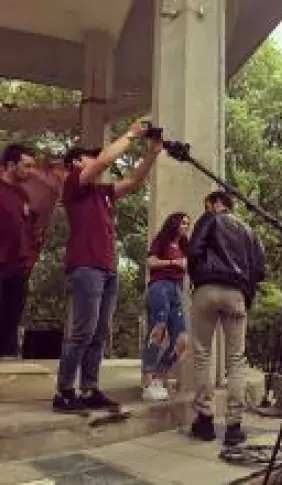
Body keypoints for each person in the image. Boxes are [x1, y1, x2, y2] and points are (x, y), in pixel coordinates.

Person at [53, 119, 164, 413]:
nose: (97, 160)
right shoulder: (73, 184)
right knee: (82, 332)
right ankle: (64, 392)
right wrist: (131, 134)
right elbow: (102, 161)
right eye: (89, 155)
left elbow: (134, 181)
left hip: (107, 269)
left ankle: (89, 389)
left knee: (99, 333)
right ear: (77, 162)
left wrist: (152, 153)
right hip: (85, 267)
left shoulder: (103, 194)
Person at [188, 190, 266, 446]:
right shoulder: (248, 231)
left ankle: (205, 420)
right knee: (236, 359)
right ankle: (234, 426)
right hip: (236, 294)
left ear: (216, 203)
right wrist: (246, 293)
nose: (207, 208)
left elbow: (194, 251)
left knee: (202, 354)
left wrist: (199, 278)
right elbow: (259, 268)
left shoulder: (209, 219)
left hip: (207, 289)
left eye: (207, 204)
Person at [141, 212, 190, 401]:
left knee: (182, 340)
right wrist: (173, 262)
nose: (186, 226)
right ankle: (147, 381)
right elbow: (151, 262)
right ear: (174, 223)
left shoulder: (185, 245)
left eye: (188, 223)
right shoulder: (161, 239)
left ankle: (159, 377)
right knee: (158, 329)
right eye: (183, 223)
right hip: (160, 286)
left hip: (177, 290)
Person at [0, 144, 37, 359]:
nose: (31, 171)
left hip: (18, 266)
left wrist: (29, 259)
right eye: (27, 166)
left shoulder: (23, 194)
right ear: (11, 165)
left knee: (11, 318)